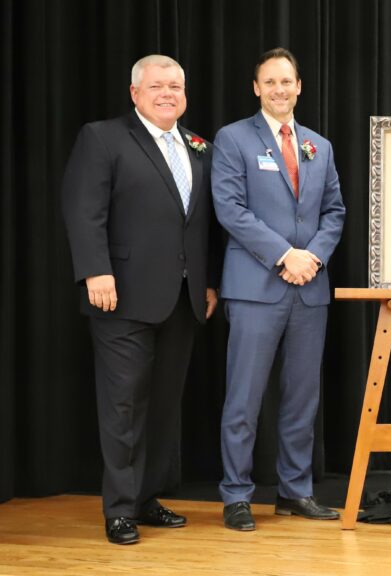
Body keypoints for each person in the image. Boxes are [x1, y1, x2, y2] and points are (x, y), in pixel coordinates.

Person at [61, 54, 219, 545]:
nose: (167, 93)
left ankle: (147, 498)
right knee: (124, 406)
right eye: (157, 86)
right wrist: (95, 271)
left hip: (183, 298)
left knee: (163, 406)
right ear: (135, 93)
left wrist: (208, 281)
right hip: (121, 296)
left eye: (175, 85)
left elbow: (203, 225)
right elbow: (83, 209)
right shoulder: (102, 137)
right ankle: (120, 509)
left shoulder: (199, 146)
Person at [212, 47, 346, 531]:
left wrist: (311, 258)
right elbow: (230, 210)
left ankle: (295, 490)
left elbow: (335, 212)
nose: (279, 89)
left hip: (309, 288)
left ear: (299, 86)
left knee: (302, 397)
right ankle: (236, 495)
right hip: (255, 288)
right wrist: (284, 255)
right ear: (256, 88)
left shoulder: (319, 145)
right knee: (244, 398)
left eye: (286, 81)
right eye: (270, 82)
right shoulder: (232, 139)